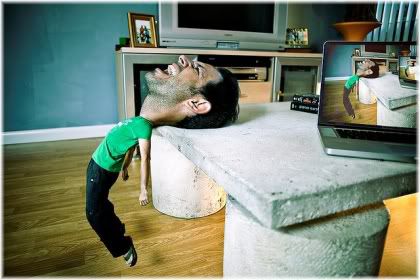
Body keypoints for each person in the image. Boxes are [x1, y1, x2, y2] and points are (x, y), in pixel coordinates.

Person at [85, 55, 240, 267]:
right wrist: (125, 165)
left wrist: (142, 189)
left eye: (195, 67)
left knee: (94, 210)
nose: (183, 58)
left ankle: (122, 247)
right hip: (100, 164)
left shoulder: (144, 129)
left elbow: (145, 158)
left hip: (100, 167)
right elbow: (131, 147)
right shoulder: (140, 125)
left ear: (196, 103)